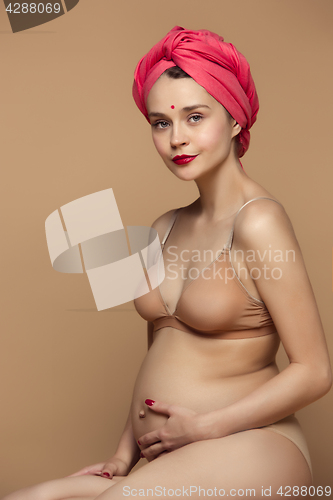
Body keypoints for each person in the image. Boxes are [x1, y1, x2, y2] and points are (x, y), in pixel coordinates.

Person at [3, 25, 332, 500]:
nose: (177, 138)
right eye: (161, 122)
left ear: (236, 120)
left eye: (195, 117)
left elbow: (315, 371)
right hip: (172, 451)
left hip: (251, 445)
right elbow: (160, 349)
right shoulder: (163, 228)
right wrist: (123, 455)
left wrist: (204, 427)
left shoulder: (259, 221)